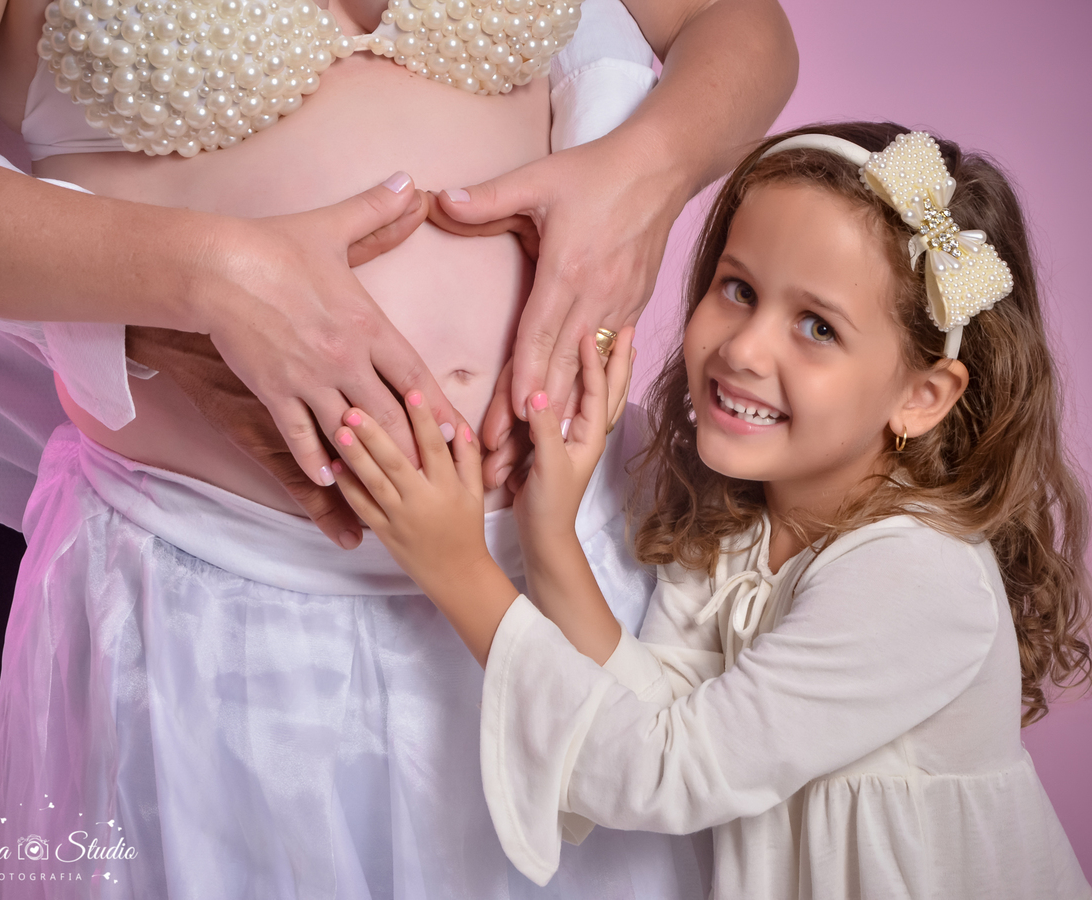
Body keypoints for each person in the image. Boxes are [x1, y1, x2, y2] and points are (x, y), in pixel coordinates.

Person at [0, 0, 796, 895]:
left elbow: (736, 21)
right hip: (213, 612)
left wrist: (648, 172)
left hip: (572, 575)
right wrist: (206, 279)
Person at [329, 122, 1092, 897]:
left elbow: (665, 771)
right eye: (739, 290)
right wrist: (546, 533)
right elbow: (660, 704)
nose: (745, 350)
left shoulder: (917, 575)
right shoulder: (749, 525)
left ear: (920, 398)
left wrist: (458, 568)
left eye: (817, 327)